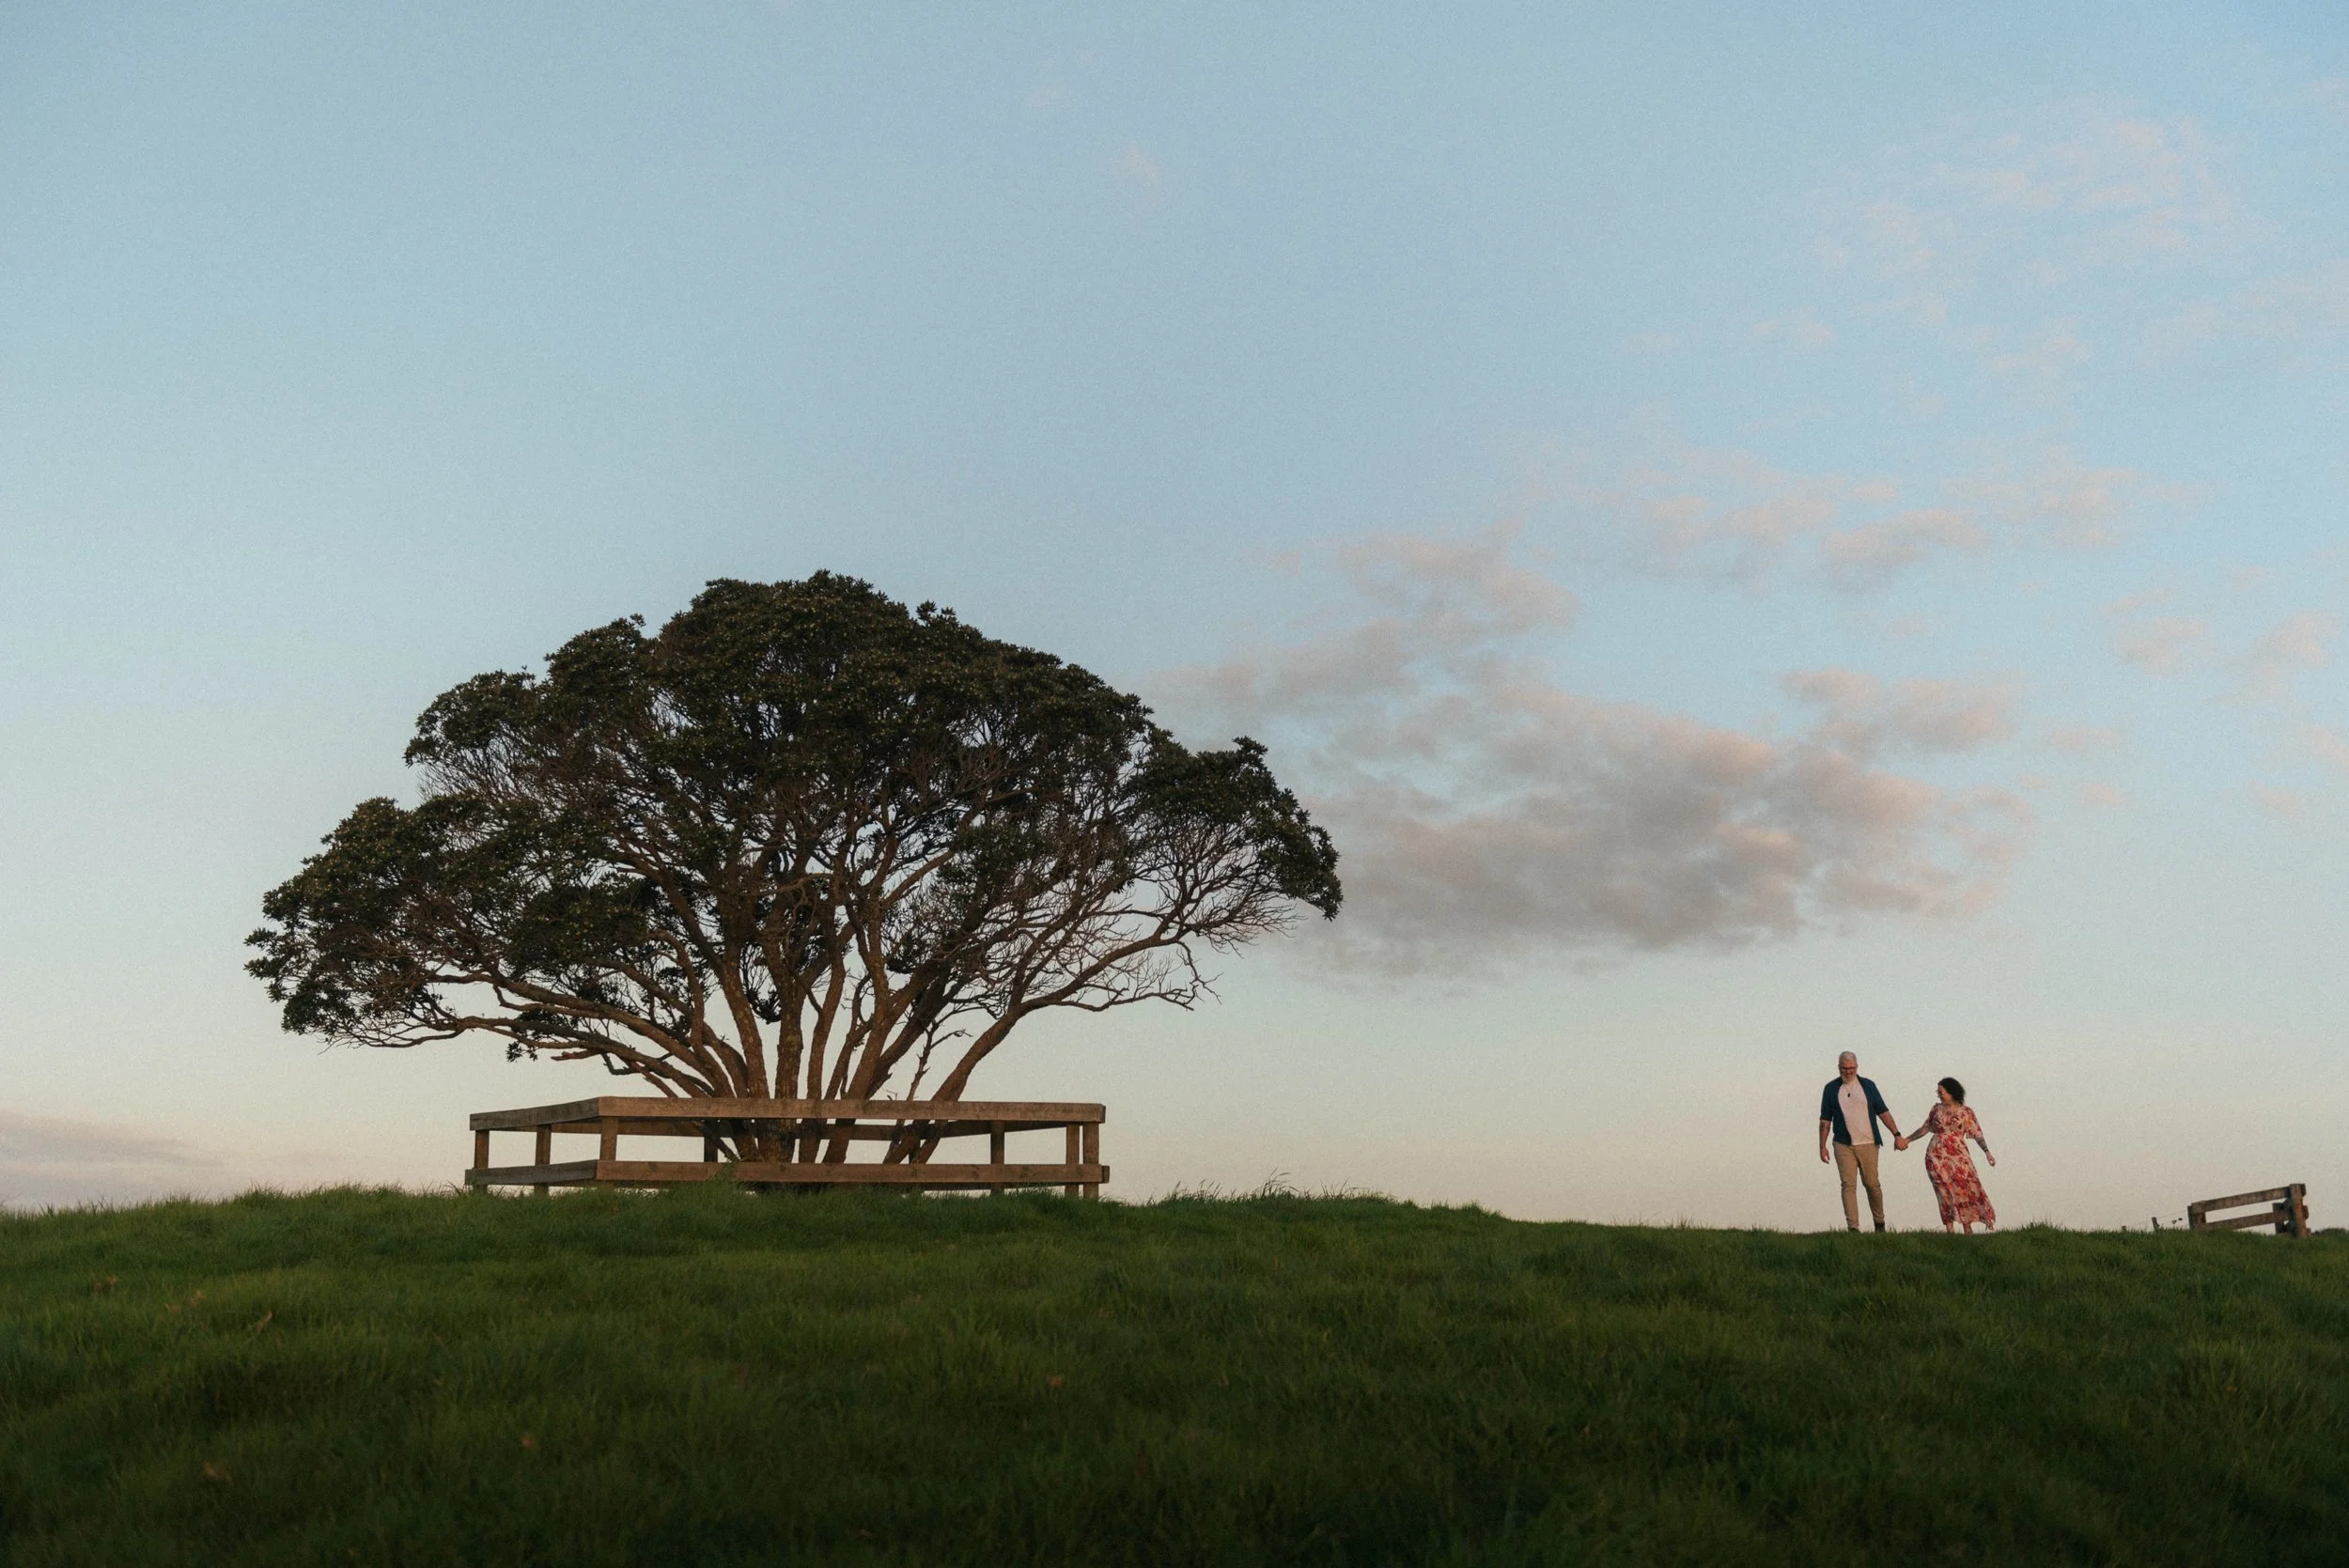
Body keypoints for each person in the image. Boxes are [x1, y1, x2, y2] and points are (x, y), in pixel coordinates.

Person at [1894, 1078, 1997, 1234]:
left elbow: (1977, 1133)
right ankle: (1950, 1228)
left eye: (1941, 1092)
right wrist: (1907, 1140)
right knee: (1943, 1190)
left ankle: (1967, 1226)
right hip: (1936, 1155)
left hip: (1959, 1155)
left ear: (1951, 1092)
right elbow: (1925, 1128)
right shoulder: (1936, 1110)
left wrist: (1987, 1152)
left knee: (1964, 1188)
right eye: (1938, 1092)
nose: (1939, 1095)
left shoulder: (1966, 1112)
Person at [1816, 1051, 1904, 1232]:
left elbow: (1883, 1112)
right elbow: (1825, 1120)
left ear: (1857, 1067)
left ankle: (1879, 1223)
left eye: (1851, 1068)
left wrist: (1897, 1134)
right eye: (1844, 1068)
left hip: (1869, 1143)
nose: (1848, 1072)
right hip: (1843, 1144)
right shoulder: (1831, 1089)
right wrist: (1822, 1146)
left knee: (1872, 1184)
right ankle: (1853, 1227)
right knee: (1848, 1185)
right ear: (1838, 1067)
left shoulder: (1868, 1086)